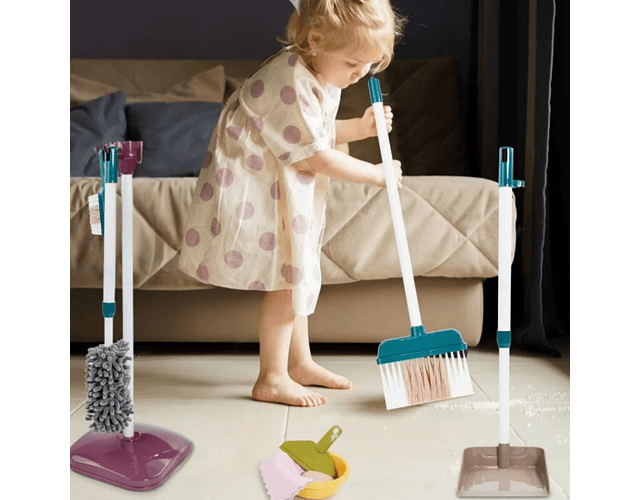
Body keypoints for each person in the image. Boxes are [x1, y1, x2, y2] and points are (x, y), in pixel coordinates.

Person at [179, 0, 404, 407]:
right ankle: (272, 377)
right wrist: (375, 174)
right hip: (258, 189)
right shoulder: (291, 77)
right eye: (353, 63)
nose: (360, 74)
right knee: (288, 280)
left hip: (280, 181)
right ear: (315, 40)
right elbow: (313, 155)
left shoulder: (315, 72)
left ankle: (299, 363)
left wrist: (359, 128)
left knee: (297, 275)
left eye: (369, 66)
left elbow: (309, 130)